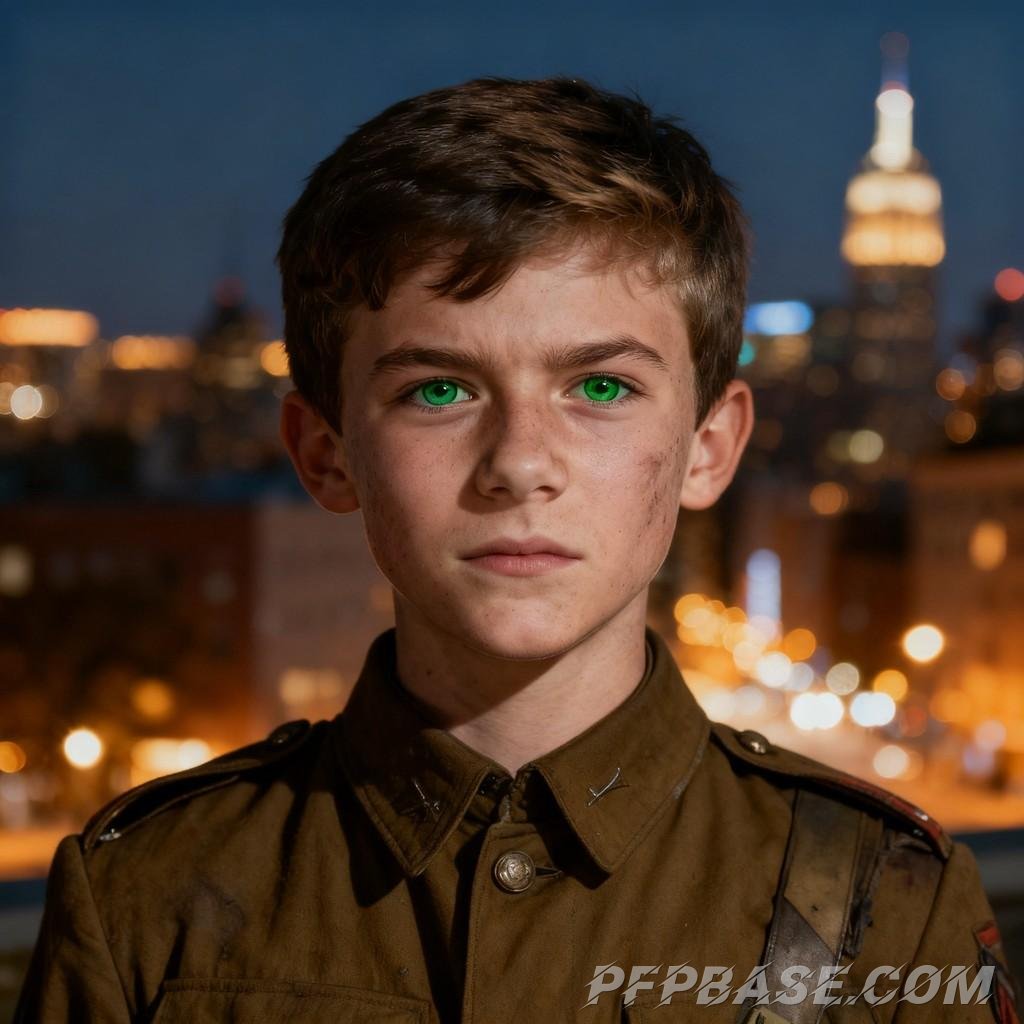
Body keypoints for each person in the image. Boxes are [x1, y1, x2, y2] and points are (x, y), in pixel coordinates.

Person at [15, 75, 1019, 1024]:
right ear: (323, 455)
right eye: (437, 391)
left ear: (709, 448)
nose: (519, 464)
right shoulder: (146, 901)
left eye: (601, 387)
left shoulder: (887, 904)